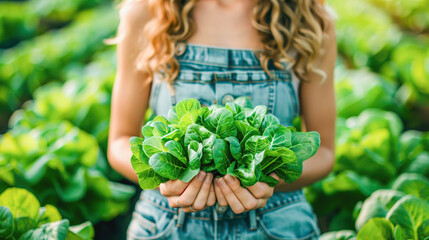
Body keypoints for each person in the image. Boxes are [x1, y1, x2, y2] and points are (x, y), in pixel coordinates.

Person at [106, 0, 336, 239]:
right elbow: (120, 141)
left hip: (276, 226)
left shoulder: (310, 19)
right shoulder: (146, 11)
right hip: (167, 224)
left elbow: (325, 152)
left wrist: (268, 179)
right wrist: (167, 179)